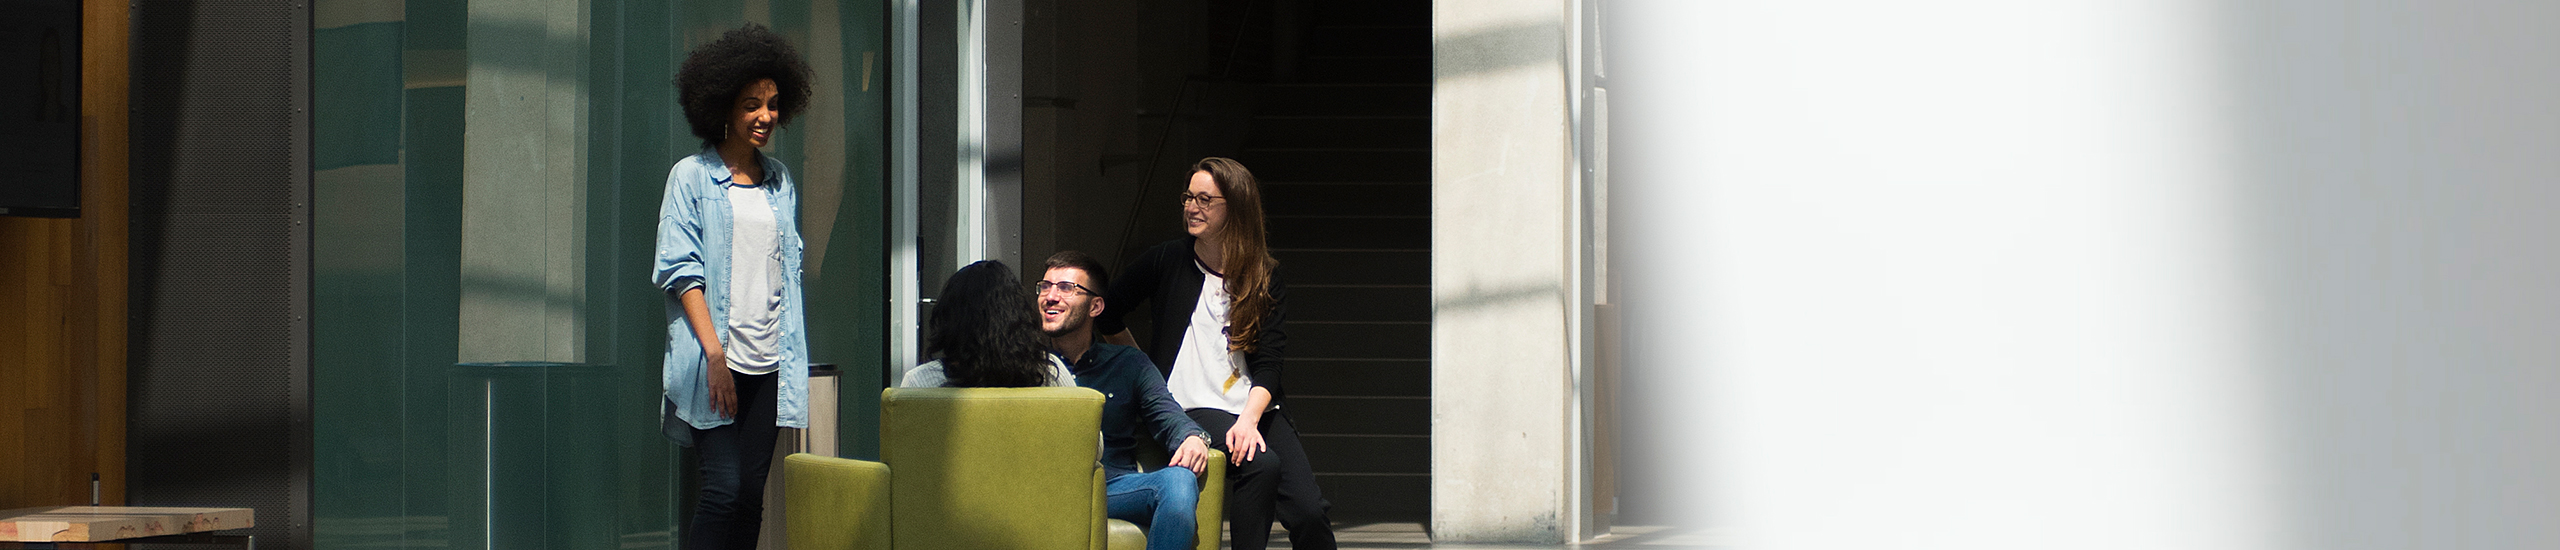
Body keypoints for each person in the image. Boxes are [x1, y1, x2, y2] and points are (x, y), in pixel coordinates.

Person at [1098, 157, 1336, 550]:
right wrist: (1144, 370)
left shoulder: (1264, 274)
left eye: (1206, 199)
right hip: (1189, 403)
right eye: (1189, 197)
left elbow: (1270, 363)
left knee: (1310, 511)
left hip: (1254, 406)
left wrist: (1248, 420)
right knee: (1261, 464)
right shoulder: (1167, 260)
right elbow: (1108, 309)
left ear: (1235, 206)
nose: (1192, 207)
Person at [653, 23, 816, 550]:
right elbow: (682, 273)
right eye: (751, 104)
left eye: (771, 104)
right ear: (723, 107)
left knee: (749, 496)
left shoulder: (780, 182)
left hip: (770, 361)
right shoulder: (691, 177)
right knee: (721, 489)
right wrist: (716, 356)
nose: (765, 116)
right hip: (712, 361)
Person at [1042, 250, 1213, 550]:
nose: (1050, 296)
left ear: (1096, 306)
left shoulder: (1129, 363)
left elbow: (1167, 414)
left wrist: (1192, 437)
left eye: (1065, 287)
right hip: (1044, 488)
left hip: (1111, 487)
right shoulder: (1025, 362)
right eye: (1045, 286)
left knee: (1178, 482)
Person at [901, 260, 1075, 388]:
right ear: (1020, 318)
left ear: (950, 319)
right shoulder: (1050, 372)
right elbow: (1086, 435)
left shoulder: (921, 382)